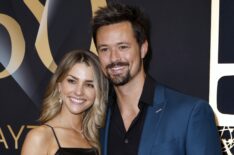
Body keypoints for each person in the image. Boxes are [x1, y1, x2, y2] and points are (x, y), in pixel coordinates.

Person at [92, 2, 222, 155]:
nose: (114, 58)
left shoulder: (190, 114)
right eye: (105, 49)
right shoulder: (96, 119)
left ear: (143, 48)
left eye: (123, 47)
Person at [21, 49, 109, 155]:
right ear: (59, 86)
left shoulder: (98, 137)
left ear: (98, 93)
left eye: (89, 85)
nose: (79, 92)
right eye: (72, 81)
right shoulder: (40, 137)